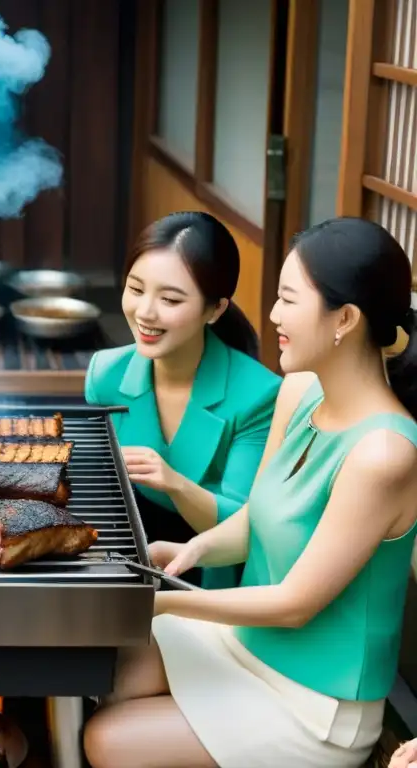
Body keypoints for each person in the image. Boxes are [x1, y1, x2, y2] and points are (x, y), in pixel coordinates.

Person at [83, 217, 417, 768]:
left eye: (288, 299)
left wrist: (160, 600)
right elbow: (258, 514)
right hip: (246, 646)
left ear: (346, 319)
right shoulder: (301, 390)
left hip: (315, 704)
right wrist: (192, 552)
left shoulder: (383, 454)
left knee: (107, 739)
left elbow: (295, 604)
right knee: (107, 669)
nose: (272, 315)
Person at [84, 212, 281, 589]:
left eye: (170, 299)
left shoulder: (260, 395)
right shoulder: (105, 374)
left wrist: (174, 483)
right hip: (126, 564)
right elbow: (103, 496)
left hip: (214, 577)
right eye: (136, 289)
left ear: (216, 309)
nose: (145, 312)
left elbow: (245, 525)